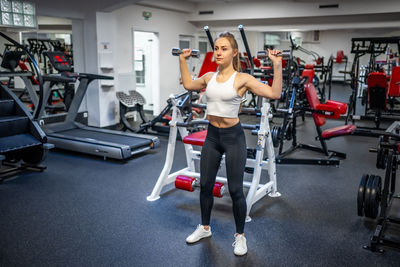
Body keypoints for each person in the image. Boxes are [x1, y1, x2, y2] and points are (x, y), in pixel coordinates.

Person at [178, 32, 282, 256]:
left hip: (233, 137)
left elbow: (275, 93)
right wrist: (182, 60)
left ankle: (240, 236)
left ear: (234, 52)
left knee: (235, 190)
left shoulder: (242, 79)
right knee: (205, 185)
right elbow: (188, 84)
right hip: (212, 137)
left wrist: (277, 65)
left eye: (223, 48)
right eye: (216, 48)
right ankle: (205, 228)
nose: (218, 52)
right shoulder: (208, 77)